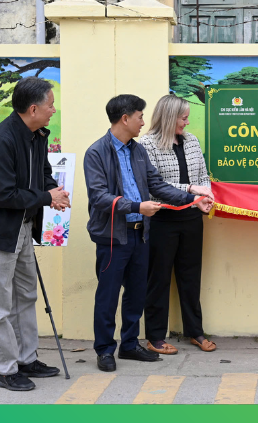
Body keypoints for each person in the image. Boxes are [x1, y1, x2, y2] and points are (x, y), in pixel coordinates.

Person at [84, 94, 213, 372]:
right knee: (108, 296)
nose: (144, 121)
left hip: (141, 233)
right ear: (125, 118)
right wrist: (136, 206)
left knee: (136, 293)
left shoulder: (137, 151)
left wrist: (191, 198)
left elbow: (157, 184)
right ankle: (105, 350)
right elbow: (100, 198)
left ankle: (129, 345)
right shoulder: (96, 153)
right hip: (113, 236)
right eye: (140, 116)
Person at [0, 77, 71, 391]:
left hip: (23, 227)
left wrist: (53, 189)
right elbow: (4, 196)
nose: (54, 109)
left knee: (25, 294)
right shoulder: (1, 140)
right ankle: (4, 369)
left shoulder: (36, 134)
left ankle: (26, 359)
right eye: (51, 104)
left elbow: (42, 173)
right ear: (34, 108)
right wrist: (45, 198)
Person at [138, 95, 216, 354]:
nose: (187, 121)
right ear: (170, 117)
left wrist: (204, 196)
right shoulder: (147, 144)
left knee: (190, 277)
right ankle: (155, 337)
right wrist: (193, 191)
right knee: (158, 279)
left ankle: (195, 332)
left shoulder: (191, 141)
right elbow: (154, 186)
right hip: (162, 219)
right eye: (183, 117)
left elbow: (202, 174)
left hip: (192, 218)